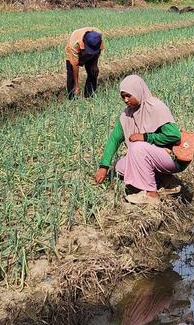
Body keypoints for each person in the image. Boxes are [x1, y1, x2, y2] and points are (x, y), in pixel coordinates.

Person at [93, 75, 186, 205]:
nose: (125, 100)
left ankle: (151, 194)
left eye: (128, 95)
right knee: (120, 166)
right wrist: (104, 166)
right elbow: (114, 140)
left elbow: (174, 135)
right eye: (123, 96)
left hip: (170, 158)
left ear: (138, 92)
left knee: (137, 147)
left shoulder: (155, 107)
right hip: (151, 157)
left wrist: (146, 137)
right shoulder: (127, 115)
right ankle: (166, 181)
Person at [66, 27, 103, 100]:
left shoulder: (98, 37)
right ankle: (72, 98)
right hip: (74, 53)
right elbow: (75, 65)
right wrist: (76, 85)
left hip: (90, 51)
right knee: (71, 75)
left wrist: (95, 64)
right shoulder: (74, 43)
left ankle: (89, 96)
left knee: (93, 72)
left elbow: (98, 51)